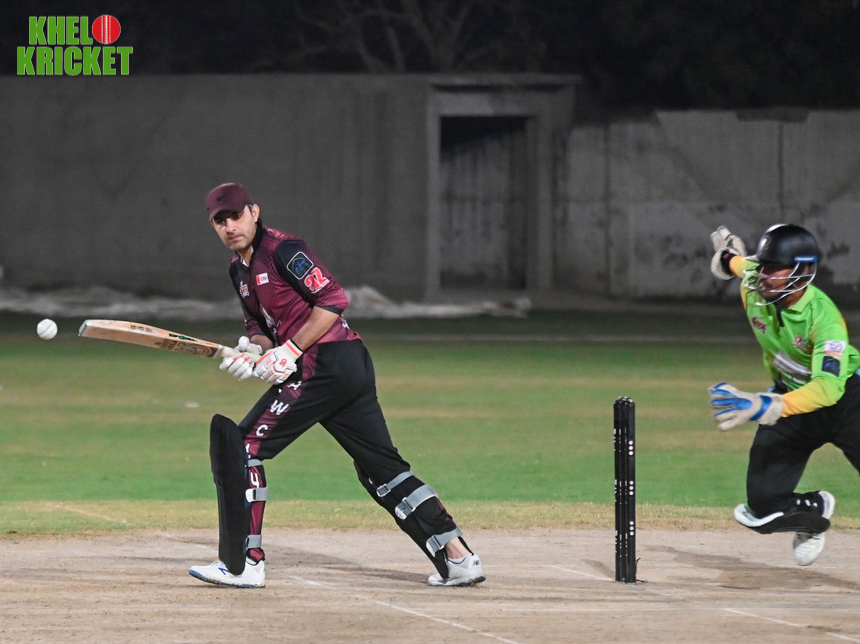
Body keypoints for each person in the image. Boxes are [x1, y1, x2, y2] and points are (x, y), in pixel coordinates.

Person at [188, 182, 485, 589]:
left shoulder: (284, 250)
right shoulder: (238, 270)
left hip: (326, 364)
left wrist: (290, 350)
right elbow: (259, 326)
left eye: (236, 216)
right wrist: (254, 352)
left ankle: (245, 564)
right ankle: (458, 558)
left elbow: (333, 299)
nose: (230, 226)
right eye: (220, 221)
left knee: (244, 449)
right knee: (381, 470)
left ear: (254, 212)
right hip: (342, 367)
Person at [708, 223, 860, 566]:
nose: (764, 276)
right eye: (763, 266)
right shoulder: (754, 285)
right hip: (791, 398)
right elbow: (740, 265)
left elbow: (829, 388)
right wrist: (728, 258)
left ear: (803, 271)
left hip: (848, 401)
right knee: (762, 508)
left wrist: (767, 405)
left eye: (774, 268)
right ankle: (813, 514)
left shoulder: (825, 319)